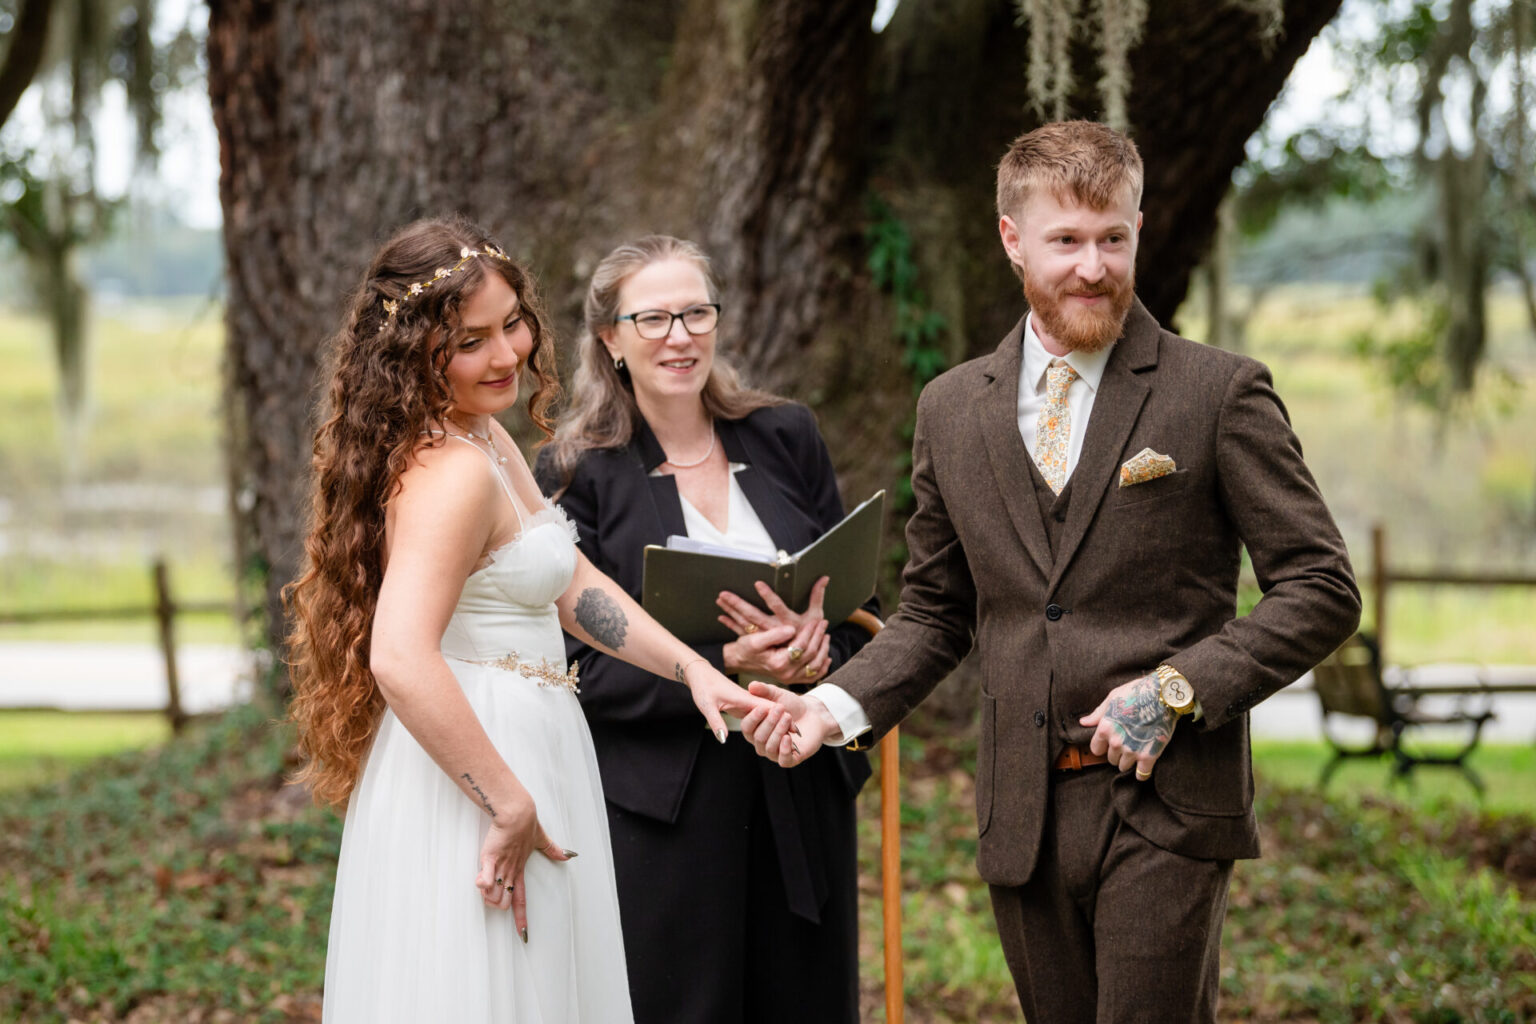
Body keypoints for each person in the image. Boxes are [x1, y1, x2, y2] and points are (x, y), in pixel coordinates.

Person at [743, 121, 1362, 1023]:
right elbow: (934, 615)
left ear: (1139, 228)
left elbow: (1321, 587)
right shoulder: (951, 408)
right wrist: (830, 707)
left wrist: (1179, 688)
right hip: (1021, 813)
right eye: (1066, 241)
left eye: (1114, 237)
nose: (1094, 266)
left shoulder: (1217, 392)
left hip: (1170, 802)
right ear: (1011, 240)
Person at [284, 218, 769, 1024]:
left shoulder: (483, 439)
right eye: (472, 341)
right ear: (414, 356)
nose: (508, 354)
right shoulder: (451, 476)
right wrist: (506, 801)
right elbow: (400, 657)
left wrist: (694, 671)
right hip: (481, 762)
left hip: (529, 742)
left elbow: (567, 582)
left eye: (513, 322)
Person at [534, 235, 875, 1024]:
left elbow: (862, 607)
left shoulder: (786, 435)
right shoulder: (575, 473)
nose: (680, 336)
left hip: (800, 786)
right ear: (611, 339)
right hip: (667, 812)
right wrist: (721, 665)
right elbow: (567, 668)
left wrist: (822, 653)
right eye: (652, 319)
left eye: (696, 313)